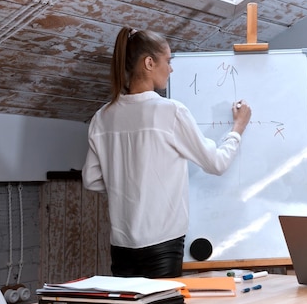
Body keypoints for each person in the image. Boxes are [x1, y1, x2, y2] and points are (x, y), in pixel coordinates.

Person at [82, 27, 251, 278]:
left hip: (121, 245)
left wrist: (128, 184)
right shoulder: (170, 111)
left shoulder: (102, 116)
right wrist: (238, 127)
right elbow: (216, 163)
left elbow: (91, 180)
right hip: (163, 244)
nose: (171, 69)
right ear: (149, 63)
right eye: (168, 61)